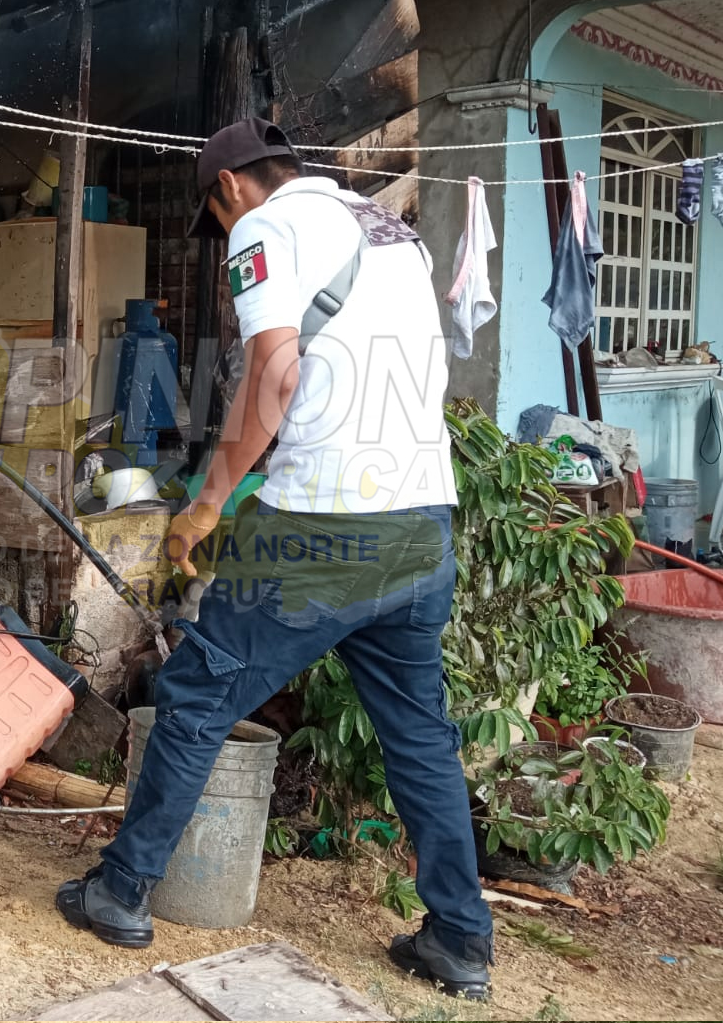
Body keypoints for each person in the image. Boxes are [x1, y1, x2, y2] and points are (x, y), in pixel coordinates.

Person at [55, 119, 495, 1000]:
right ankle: (459, 939)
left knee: (194, 696)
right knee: (419, 737)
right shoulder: (389, 228)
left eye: (214, 222)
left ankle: (121, 889)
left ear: (229, 192)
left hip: (320, 529)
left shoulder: (264, 227)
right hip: (419, 524)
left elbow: (274, 378)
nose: (222, 239)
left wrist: (209, 499)